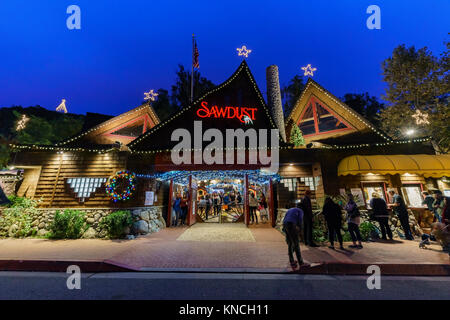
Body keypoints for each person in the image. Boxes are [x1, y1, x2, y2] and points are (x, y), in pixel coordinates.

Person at [283, 202, 305, 268]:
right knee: (296, 243)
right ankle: (301, 262)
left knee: (290, 243)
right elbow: (300, 222)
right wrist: (301, 233)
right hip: (291, 224)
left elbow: (285, 219)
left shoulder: (290, 209)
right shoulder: (300, 211)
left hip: (285, 224)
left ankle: (291, 261)